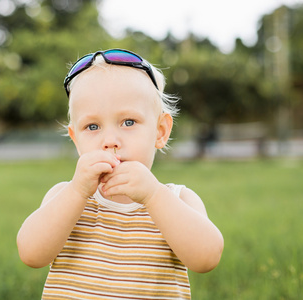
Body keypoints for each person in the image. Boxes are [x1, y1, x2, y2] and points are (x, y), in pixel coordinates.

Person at [17, 49, 224, 299]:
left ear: (160, 131)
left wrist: (153, 195)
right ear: (76, 139)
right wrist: (77, 191)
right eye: (92, 126)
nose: (110, 140)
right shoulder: (65, 196)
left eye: (128, 122)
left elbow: (207, 258)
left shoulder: (178, 200)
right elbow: (31, 254)